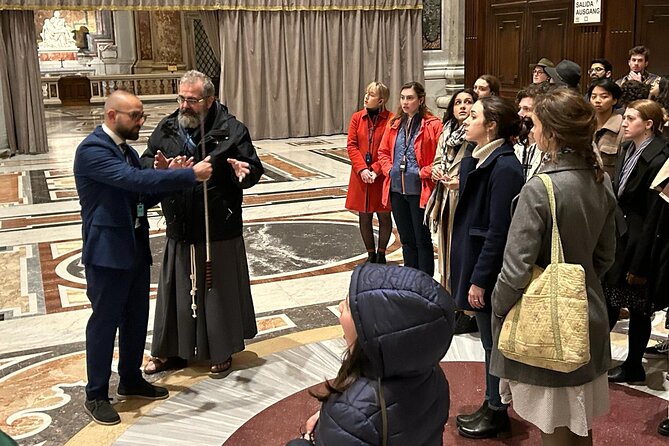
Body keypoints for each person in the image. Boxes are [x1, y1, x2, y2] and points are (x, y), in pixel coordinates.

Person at [73, 90, 213, 425]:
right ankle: (95, 394)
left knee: (136, 319)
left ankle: (131, 379)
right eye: (135, 116)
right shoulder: (93, 151)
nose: (140, 122)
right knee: (104, 324)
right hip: (107, 254)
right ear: (111, 116)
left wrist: (170, 177)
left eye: (141, 115)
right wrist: (186, 176)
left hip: (134, 249)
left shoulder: (127, 151)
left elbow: (141, 196)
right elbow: (132, 179)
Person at [491, 87, 616, 446]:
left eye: (535, 124)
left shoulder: (541, 187)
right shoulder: (599, 178)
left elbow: (515, 269)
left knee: (554, 430)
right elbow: (606, 255)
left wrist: (499, 310)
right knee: (580, 425)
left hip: (547, 320)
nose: (530, 131)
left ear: (553, 132)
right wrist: (581, 282)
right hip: (587, 313)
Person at [141, 71, 264, 375]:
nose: (184, 105)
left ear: (209, 100)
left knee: (216, 290)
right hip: (180, 224)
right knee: (178, 291)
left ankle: (221, 349)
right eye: (181, 98)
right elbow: (146, 160)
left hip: (217, 227)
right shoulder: (168, 127)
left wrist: (243, 172)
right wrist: (159, 169)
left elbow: (253, 168)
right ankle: (173, 351)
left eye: (192, 100)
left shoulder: (232, 130)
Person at [294, 263, 455, 445]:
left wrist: (305, 440)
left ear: (374, 332)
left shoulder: (350, 415)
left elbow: (359, 421)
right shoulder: (430, 372)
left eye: (348, 306)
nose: (339, 307)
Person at [450, 96, 524, 439]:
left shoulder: (505, 167)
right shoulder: (479, 158)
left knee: (493, 344)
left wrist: (479, 280)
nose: (466, 118)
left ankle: (497, 411)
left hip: (489, 271)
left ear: (492, 125)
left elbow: (499, 231)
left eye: (474, 115)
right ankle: (491, 401)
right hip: (476, 260)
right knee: (488, 343)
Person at [604, 99, 669, 384]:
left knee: (638, 306)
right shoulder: (628, 147)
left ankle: (633, 365)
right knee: (610, 299)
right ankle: (600, 357)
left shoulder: (659, 157)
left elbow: (653, 217)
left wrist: (641, 263)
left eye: (631, 118)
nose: (625, 123)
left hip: (639, 241)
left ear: (649, 125)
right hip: (621, 235)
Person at [427, 88, 478, 334]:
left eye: (468, 102)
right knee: (446, 250)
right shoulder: (447, 131)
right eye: (458, 102)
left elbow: (478, 168)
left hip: (464, 197)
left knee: (461, 250)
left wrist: (462, 180)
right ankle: (451, 301)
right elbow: (438, 159)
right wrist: (437, 170)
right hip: (446, 196)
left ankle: (467, 310)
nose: (463, 106)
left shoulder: (476, 135)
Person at [378, 81, 442, 276]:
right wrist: (390, 170)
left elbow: (441, 158)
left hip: (419, 190)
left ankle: (425, 282)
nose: (405, 102)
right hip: (397, 189)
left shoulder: (433, 125)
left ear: (420, 100)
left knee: (421, 239)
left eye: (410, 98)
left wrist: (421, 172)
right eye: (403, 98)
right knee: (406, 239)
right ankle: (410, 279)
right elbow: (383, 152)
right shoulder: (395, 123)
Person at [344, 81, 393, 264]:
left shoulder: (391, 120)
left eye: (371, 95)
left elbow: (390, 149)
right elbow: (351, 145)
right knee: (364, 215)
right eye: (366, 93)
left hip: (380, 176)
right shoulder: (357, 117)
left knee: (384, 214)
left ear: (381, 100)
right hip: (360, 175)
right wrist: (362, 169)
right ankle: (370, 254)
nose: (366, 97)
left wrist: (375, 170)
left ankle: (381, 253)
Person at [515, 82, 551, 182]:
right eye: (520, 108)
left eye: (526, 109)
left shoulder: (549, 146)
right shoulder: (517, 142)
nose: (520, 114)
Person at [589, 78, 624, 178]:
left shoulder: (622, 127)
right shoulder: (585, 124)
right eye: (593, 97)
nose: (597, 101)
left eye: (604, 97)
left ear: (614, 100)